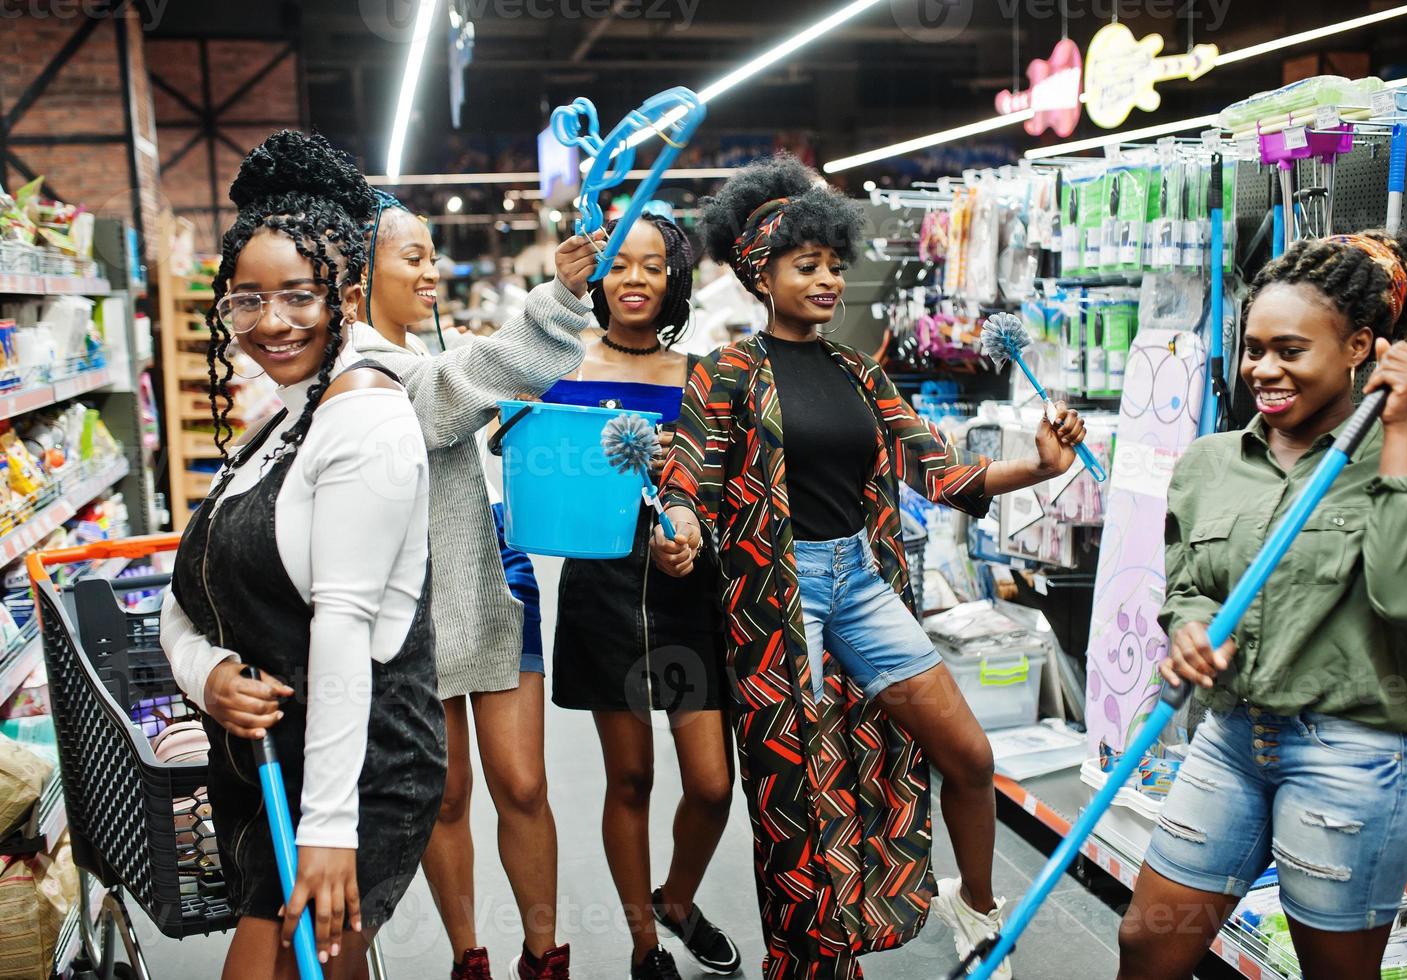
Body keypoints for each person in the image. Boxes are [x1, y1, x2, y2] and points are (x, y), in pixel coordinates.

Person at [653, 156, 1085, 979]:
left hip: (859, 583)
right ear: (760, 273)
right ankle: (811, 958)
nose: (827, 280)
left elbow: (944, 475)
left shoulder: (860, 372)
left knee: (967, 756)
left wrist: (1040, 464)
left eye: (833, 265)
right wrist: (678, 529)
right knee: (797, 800)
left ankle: (977, 907)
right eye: (806, 265)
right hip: (779, 600)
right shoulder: (728, 374)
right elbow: (688, 477)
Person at [1116, 231, 1407, 980]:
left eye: (1289, 350)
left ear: (1358, 348)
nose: (1263, 370)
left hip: (1355, 754)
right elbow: (1186, 587)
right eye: (1253, 348)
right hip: (1231, 737)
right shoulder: (1210, 461)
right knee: (1148, 943)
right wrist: (1187, 630)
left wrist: (1399, 424)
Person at [159, 131, 445, 979]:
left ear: (346, 296)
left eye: (297, 296)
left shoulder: (367, 419)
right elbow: (187, 598)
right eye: (247, 299)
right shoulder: (279, 423)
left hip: (354, 777)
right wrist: (203, 673)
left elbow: (345, 627)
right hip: (266, 774)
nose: (270, 321)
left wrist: (328, 829)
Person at [349, 192, 589, 980]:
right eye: (411, 257)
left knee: (521, 783)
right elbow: (467, 378)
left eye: (430, 255)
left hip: (490, 571)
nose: (432, 270)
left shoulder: (420, 354)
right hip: (411, 604)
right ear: (358, 272)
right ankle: (470, 960)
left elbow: (464, 391)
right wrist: (556, 300)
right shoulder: (363, 372)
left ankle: (544, 956)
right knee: (445, 795)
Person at [540, 212, 740, 980]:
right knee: (630, 779)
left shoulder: (700, 377)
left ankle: (678, 901)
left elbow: (723, 493)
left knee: (712, 786)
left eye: (652, 266)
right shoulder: (564, 369)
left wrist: (695, 530)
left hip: (686, 595)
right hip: (602, 596)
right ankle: (644, 946)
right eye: (619, 264)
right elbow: (528, 464)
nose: (634, 280)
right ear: (597, 275)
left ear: (673, 280)